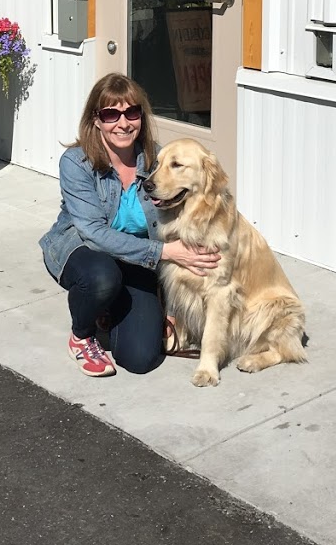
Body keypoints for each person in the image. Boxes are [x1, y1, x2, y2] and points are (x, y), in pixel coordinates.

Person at [39, 72, 220, 378]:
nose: (123, 123)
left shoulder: (156, 159)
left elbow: (180, 220)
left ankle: (109, 306)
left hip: (137, 257)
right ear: (96, 120)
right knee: (102, 277)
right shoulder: (76, 162)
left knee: (141, 358)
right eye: (111, 114)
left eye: (132, 112)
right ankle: (82, 335)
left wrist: (171, 309)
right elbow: (93, 233)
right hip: (84, 250)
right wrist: (164, 252)